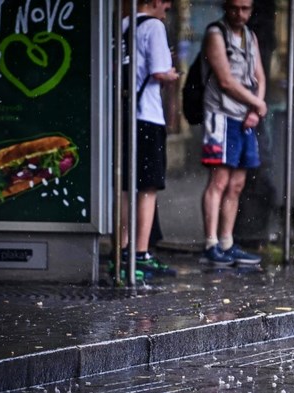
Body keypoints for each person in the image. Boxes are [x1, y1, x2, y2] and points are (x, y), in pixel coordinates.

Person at [199, 0, 267, 266]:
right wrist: (256, 102)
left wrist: (255, 108)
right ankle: (211, 243)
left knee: (237, 184)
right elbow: (225, 80)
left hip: (245, 118)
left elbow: (259, 75)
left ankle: (227, 241)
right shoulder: (216, 34)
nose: (240, 14)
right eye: (235, 8)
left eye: (246, 8)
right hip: (221, 115)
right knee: (219, 181)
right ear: (226, 8)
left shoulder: (250, 37)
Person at [118, 0, 180, 277]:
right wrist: (172, 73)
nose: (165, 12)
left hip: (124, 116)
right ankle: (140, 252)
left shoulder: (123, 25)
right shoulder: (154, 26)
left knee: (125, 187)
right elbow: (158, 71)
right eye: (165, 7)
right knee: (148, 187)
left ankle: (121, 249)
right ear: (155, 2)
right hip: (148, 115)